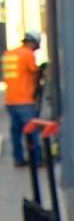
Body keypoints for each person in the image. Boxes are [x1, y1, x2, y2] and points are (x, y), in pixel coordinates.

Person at [3, 30, 43, 167]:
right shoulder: (27, 54)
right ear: (32, 42)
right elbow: (35, 72)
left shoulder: (9, 54)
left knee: (16, 131)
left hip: (10, 100)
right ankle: (37, 159)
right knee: (32, 129)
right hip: (24, 100)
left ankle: (18, 158)